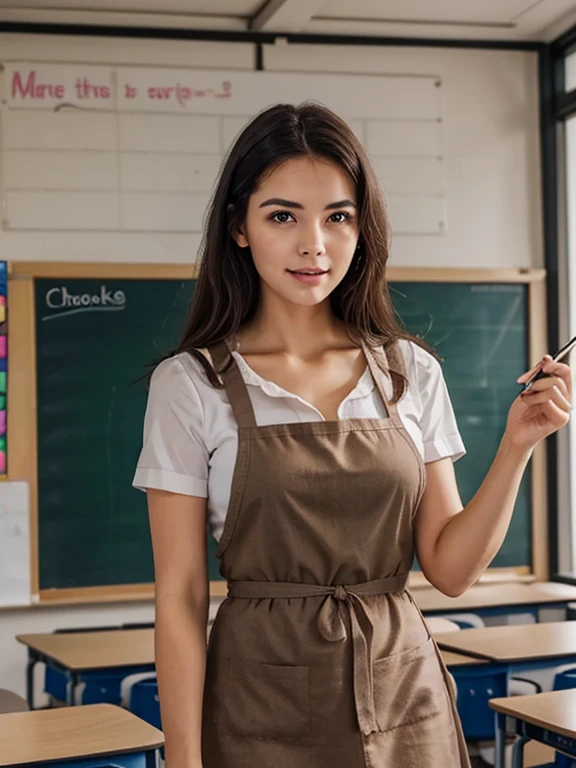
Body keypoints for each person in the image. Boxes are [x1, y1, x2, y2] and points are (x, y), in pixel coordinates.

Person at [133, 102, 572, 768]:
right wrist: (186, 761)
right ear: (240, 229)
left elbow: (450, 571)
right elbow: (182, 596)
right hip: (258, 704)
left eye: (338, 217)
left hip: (402, 696)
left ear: (362, 228)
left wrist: (518, 444)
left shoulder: (408, 370)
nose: (315, 244)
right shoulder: (190, 385)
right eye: (283, 216)